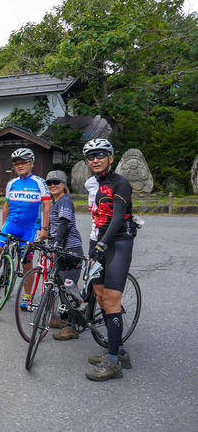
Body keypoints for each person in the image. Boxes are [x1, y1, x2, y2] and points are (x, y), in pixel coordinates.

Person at [82, 138, 137, 382]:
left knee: (112, 300)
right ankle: (119, 350)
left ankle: (113, 363)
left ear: (111, 157)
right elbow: (96, 219)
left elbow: (116, 218)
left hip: (118, 242)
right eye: (91, 156)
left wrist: (103, 244)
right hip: (98, 242)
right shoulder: (92, 184)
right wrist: (95, 244)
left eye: (100, 154)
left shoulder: (121, 183)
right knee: (101, 296)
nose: (95, 159)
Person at [0, 148, 51, 301]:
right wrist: (3, 227)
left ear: (32, 164)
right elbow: (6, 206)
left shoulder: (39, 182)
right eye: (17, 164)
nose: (20, 166)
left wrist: (44, 228)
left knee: (26, 263)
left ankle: (27, 295)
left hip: (28, 228)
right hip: (11, 224)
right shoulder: (12, 183)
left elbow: (47, 205)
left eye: (23, 163)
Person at [43, 170, 85, 341]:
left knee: (69, 288)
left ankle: (73, 327)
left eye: (56, 182)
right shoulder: (57, 201)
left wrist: (57, 242)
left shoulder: (65, 201)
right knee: (61, 286)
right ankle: (64, 318)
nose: (52, 185)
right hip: (60, 249)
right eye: (49, 183)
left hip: (70, 250)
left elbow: (64, 223)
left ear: (64, 185)